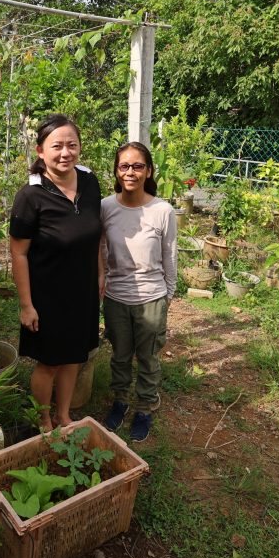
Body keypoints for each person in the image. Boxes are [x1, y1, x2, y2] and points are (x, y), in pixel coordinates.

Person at [9, 114, 104, 431]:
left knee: (75, 356)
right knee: (49, 362)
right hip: (47, 295)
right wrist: (26, 304)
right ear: (40, 151)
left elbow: (96, 235)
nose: (66, 153)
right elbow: (18, 253)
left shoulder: (89, 183)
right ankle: (44, 418)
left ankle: (64, 415)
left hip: (84, 289)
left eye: (72, 145)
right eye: (57, 146)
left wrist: (101, 274)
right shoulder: (31, 196)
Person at [100, 142, 177, 442]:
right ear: (117, 172)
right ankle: (120, 401)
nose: (130, 172)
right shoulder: (106, 206)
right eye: (124, 166)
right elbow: (101, 249)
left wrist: (167, 295)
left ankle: (144, 407)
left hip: (151, 299)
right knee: (120, 356)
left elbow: (170, 255)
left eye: (137, 166)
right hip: (116, 297)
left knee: (148, 358)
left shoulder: (162, 210)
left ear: (148, 171)